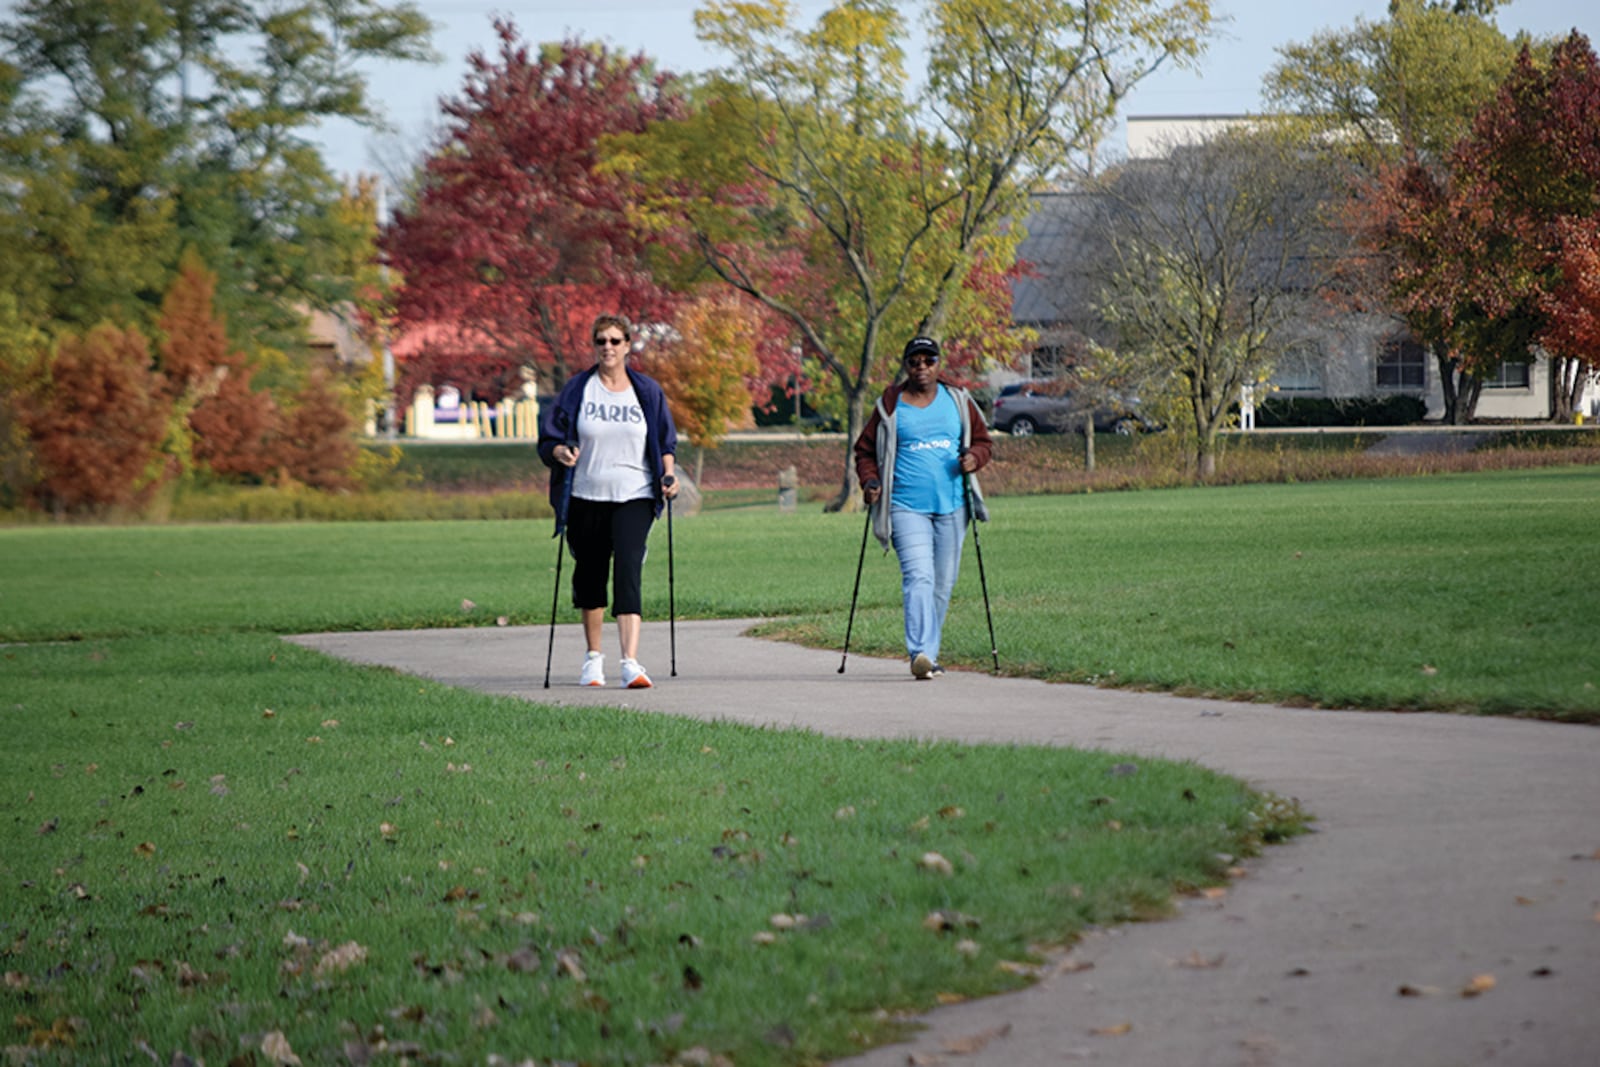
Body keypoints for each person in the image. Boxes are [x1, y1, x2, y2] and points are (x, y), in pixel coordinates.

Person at [539, 314, 679, 688]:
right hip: (586, 495)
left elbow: (665, 442)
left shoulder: (646, 392)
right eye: (601, 341)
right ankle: (592, 660)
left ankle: (630, 663)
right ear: (594, 345)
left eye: (616, 341)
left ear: (628, 345)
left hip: (634, 493)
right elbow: (549, 437)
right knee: (590, 575)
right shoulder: (577, 390)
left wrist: (669, 476)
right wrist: (559, 453)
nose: (608, 348)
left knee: (629, 569)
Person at [853, 335, 993, 680]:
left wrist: (974, 459)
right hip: (904, 506)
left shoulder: (958, 400)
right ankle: (920, 652)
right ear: (906, 365)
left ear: (937, 364)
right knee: (918, 576)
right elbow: (865, 451)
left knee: (942, 583)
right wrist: (870, 483)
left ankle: (930, 654)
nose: (922, 367)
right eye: (915, 361)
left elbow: (983, 442)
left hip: (952, 506)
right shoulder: (890, 406)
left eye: (928, 361)